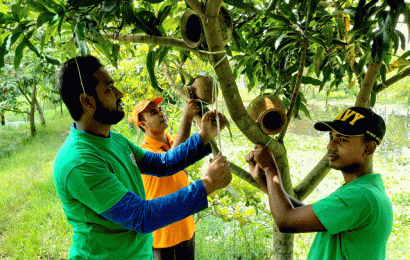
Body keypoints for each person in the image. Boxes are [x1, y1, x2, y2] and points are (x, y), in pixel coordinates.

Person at [53, 55, 232, 260]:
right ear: (87, 101)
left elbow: (162, 164)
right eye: (109, 89)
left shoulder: (114, 140)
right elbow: (142, 217)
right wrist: (208, 184)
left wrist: (204, 136)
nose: (119, 94)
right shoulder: (80, 162)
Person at [246, 107, 393, 260]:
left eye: (342, 139)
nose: (330, 146)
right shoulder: (367, 189)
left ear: (368, 148)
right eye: (331, 137)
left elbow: (286, 221)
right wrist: (264, 180)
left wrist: (271, 170)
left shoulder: (359, 196)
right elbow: (310, 215)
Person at [130, 96, 199, 260]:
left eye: (160, 110)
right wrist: (187, 117)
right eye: (154, 113)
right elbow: (169, 161)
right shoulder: (143, 154)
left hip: (187, 230)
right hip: (163, 239)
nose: (161, 114)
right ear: (143, 125)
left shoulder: (174, 141)